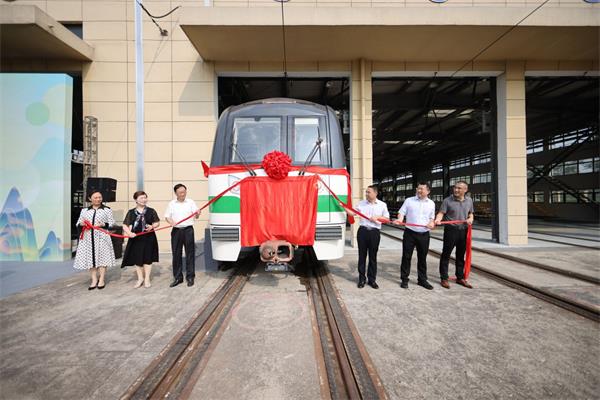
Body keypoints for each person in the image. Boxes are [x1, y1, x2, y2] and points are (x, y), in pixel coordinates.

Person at [394, 182, 436, 290]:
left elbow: (431, 217)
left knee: (422, 258)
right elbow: (402, 212)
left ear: (428, 191)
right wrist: (400, 219)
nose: (419, 191)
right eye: (418, 188)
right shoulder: (409, 200)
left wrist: (431, 223)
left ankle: (422, 280)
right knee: (406, 257)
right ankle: (404, 279)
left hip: (424, 234)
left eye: (422, 189)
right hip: (410, 233)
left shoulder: (431, 203)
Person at [347, 185, 389, 289]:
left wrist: (378, 217)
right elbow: (352, 213)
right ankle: (361, 279)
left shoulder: (382, 205)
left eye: (368, 192)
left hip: (374, 233)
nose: (366, 194)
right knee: (362, 256)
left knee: (372, 257)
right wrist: (343, 206)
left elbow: (387, 219)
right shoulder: (361, 204)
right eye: (366, 192)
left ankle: (372, 280)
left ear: (375, 193)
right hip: (363, 231)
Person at [434, 180, 475, 289]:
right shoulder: (447, 200)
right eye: (455, 187)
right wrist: (438, 220)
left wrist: (470, 219)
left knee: (460, 255)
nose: (456, 190)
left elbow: (470, 213)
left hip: (463, 231)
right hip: (451, 231)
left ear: (465, 190)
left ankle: (460, 277)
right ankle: (444, 278)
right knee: (446, 254)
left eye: (459, 188)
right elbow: (441, 213)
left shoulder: (469, 200)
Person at [74, 191, 116, 290]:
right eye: (95, 197)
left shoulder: (107, 209)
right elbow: (78, 223)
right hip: (88, 238)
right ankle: (94, 279)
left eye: (99, 197)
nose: (98, 199)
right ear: (90, 199)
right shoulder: (84, 210)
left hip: (102, 237)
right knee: (91, 258)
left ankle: (101, 279)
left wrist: (103, 224)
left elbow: (112, 223)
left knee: (102, 258)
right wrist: (82, 224)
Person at [121, 191, 160, 288]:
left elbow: (157, 222)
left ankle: (147, 279)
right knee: (137, 259)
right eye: (141, 198)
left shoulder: (151, 211)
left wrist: (152, 226)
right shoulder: (131, 212)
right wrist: (129, 233)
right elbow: (125, 225)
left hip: (149, 237)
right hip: (136, 238)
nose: (144, 200)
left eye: (145, 197)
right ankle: (140, 278)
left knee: (148, 258)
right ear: (136, 200)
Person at [165, 184, 200, 287]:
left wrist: (198, 213)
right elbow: (167, 216)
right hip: (176, 231)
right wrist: (171, 222)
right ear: (176, 193)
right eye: (180, 192)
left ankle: (190, 277)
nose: (183, 194)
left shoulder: (191, 202)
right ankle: (178, 277)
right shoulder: (172, 204)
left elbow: (196, 216)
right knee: (176, 254)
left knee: (190, 253)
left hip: (188, 230)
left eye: (184, 192)